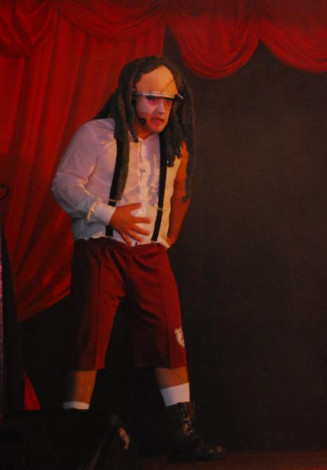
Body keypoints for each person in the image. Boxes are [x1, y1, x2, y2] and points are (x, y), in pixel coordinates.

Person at [52, 56, 225, 463]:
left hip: (149, 255)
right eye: (151, 99)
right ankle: (77, 437)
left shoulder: (174, 144)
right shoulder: (97, 135)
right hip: (102, 249)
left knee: (170, 339)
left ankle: (182, 436)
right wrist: (109, 214)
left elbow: (181, 190)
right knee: (88, 340)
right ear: (130, 96)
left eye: (168, 100)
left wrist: (167, 238)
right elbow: (63, 185)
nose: (161, 109)